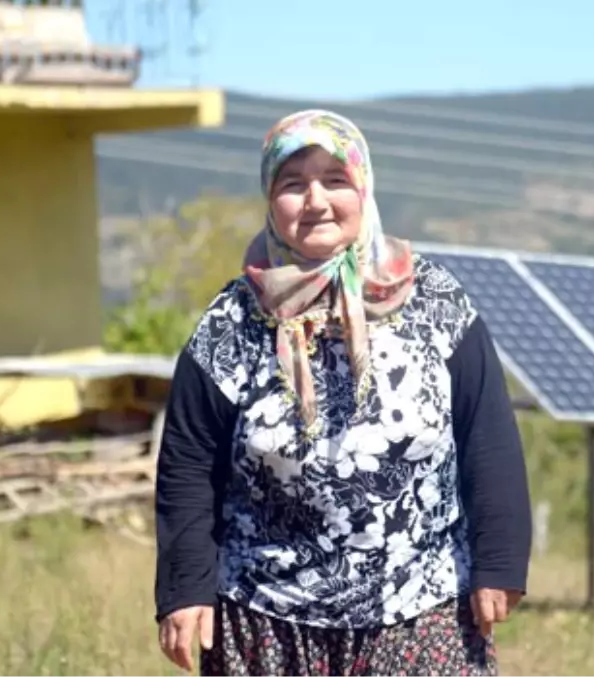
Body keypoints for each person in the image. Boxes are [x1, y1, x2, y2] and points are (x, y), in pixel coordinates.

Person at [154, 109, 532, 676]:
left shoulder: (434, 301)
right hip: (266, 622)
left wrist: (499, 562)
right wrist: (185, 589)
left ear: (364, 187)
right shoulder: (232, 321)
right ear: (269, 197)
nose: (316, 201)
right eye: (292, 183)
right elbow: (188, 461)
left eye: (335, 179)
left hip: (422, 609)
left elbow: (488, 436)